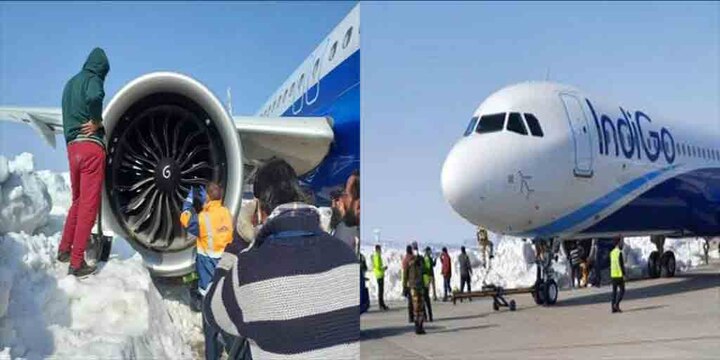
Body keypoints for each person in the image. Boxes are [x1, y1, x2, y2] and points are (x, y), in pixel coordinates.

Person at [204, 158, 359, 358]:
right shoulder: (347, 257)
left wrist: (239, 243)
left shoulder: (248, 270)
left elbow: (211, 310)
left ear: (260, 210)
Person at [57, 47, 110, 277]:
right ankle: (77, 262)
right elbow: (95, 96)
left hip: (72, 148)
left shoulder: (70, 84)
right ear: (101, 69)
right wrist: (97, 121)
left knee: (77, 201)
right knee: (89, 205)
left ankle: (64, 249)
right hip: (90, 148)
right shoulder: (92, 79)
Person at [180, 182, 234, 360]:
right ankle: (235, 352)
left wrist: (188, 202)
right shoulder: (226, 213)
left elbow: (185, 219)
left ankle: (212, 356)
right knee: (227, 323)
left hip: (209, 284)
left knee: (210, 327)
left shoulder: (202, 219)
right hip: (226, 281)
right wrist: (207, 200)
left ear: (208, 197)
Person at [404, 248, 426, 335]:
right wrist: (405, 286)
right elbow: (405, 274)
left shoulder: (419, 260)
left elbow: (424, 270)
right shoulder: (411, 261)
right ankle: (418, 326)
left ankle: (420, 326)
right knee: (417, 307)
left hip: (418, 286)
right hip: (415, 287)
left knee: (419, 307)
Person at [610, 238, 626, 313]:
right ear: (618, 243)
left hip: (613, 275)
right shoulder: (619, 253)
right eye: (621, 243)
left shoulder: (612, 252)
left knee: (614, 292)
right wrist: (624, 274)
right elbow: (621, 264)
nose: (622, 244)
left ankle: (613, 308)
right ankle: (616, 304)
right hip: (619, 275)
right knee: (622, 291)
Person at [372, 245, 389, 310]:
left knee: (381, 290)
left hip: (379, 275)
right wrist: (384, 268)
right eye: (380, 249)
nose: (381, 250)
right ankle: (381, 304)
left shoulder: (376, 256)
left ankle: (382, 304)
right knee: (381, 290)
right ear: (377, 249)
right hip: (379, 275)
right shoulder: (377, 256)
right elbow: (378, 267)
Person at [402, 245, 414, 323]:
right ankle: (416, 315)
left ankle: (411, 317)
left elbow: (405, 274)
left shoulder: (405, 259)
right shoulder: (413, 258)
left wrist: (404, 285)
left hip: (409, 283)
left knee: (410, 301)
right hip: (414, 282)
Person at [422, 247, 434, 321]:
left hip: (425, 281)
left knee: (424, 300)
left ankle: (426, 316)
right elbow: (429, 268)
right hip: (426, 280)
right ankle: (429, 316)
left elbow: (428, 269)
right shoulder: (427, 258)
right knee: (427, 300)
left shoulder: (425, 258)